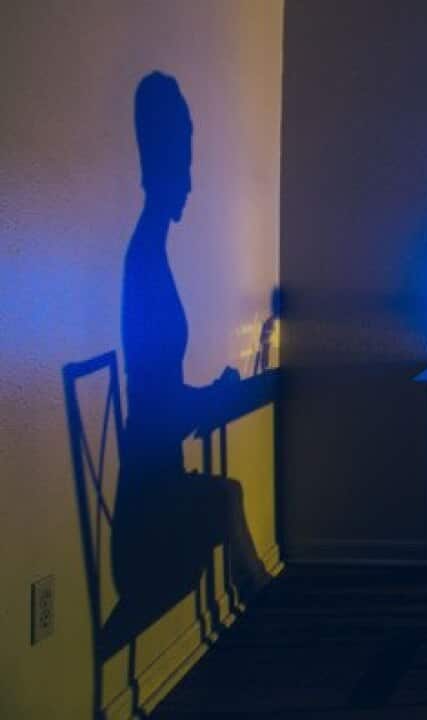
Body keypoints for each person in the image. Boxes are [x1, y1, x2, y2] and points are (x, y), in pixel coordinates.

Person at [114, 72, 268, 611]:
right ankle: (260, 601)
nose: (190, 183)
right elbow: (160, 406)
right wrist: (213, 398)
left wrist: (207, 396)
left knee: (226, 496)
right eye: (183, 165)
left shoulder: (148, 257)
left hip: (154, 472)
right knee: (226, 496)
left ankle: (259, 600)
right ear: (157, 166)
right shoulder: (146, 263)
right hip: (149, 502)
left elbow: (159, 393)